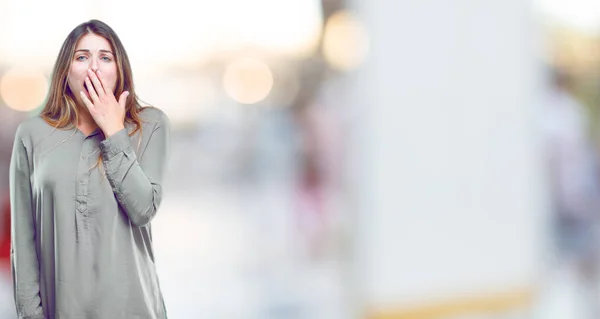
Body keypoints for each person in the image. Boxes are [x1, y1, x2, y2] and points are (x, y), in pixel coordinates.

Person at [9, 19, 171, 318]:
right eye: (82, 57)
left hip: (134, 308)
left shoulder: (151, 125)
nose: (94, 67)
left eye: (105, 58)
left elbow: (143, 209)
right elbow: (23, 241)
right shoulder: (32, 134)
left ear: (119, 69)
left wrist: (114, 131)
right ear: (65, 71)